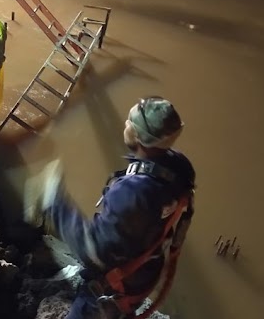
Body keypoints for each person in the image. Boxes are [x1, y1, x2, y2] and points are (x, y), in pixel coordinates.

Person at [27, 97, 196, 318]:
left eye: (129, 122)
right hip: (144, 270)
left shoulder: (132, 193)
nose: (125, 125)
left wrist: (53, 199)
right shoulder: (178, 168)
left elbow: (93, 251)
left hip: (112, 291)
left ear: (138, 136)